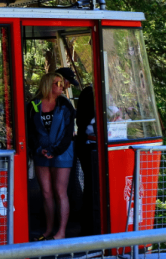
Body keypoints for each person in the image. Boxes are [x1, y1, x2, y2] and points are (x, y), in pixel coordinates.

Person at [27, 72, 76, 241]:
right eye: (57, 83)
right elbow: (30, 132)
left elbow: (69, 133)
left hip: (62, 153)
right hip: (41, 152)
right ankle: (48, 230)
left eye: (62, 84)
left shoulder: (65, 105)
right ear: (48, 85)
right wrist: (38, 148)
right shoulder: (33, 104)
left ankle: (61, 232)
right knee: (46, 192)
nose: (61, 87)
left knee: (60, 192)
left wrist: (55, 151)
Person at [75, 85, 98, 236]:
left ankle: (87, 227)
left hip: (86, 148)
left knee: (90, 187)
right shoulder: (93, 113)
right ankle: (90, 226)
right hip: (91, 149)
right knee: (93, 187)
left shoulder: (82, 115)